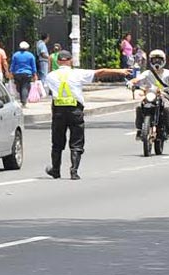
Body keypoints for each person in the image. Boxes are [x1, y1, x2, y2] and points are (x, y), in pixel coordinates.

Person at [45, 51, 130, 180]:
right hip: (75, 110)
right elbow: (100, 72)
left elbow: (50, 92)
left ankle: (55, 170)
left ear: (57, 61)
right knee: (77, 141)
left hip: (58, 112)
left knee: (57, 142)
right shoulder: (78, 73)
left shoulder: (50, 76)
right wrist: (119, 71)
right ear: (71, 61)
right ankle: (74, 171)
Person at [127, 50, 169, 141]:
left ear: (163, 61)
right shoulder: (147, 73)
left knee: (166, 108)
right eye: (154, 60)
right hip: (150, 95)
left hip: (164, 95)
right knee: (139, 107)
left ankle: (167, 130)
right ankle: (140, 129)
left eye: (159, 60)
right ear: (150, 61)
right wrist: (131, 82)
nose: (157, 63)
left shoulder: (168, 73)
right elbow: (137, 79)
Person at [10, 42, 37, 107]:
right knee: (25, 87)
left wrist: (11, 73)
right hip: (27, 73)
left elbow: (13, 65)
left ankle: (22, 99)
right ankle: (24, 101)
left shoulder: (15, 55)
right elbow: (33, 65)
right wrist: (34, 74)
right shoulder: (30, 55)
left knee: (19, 87)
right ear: (27, 48)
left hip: (17, 74)